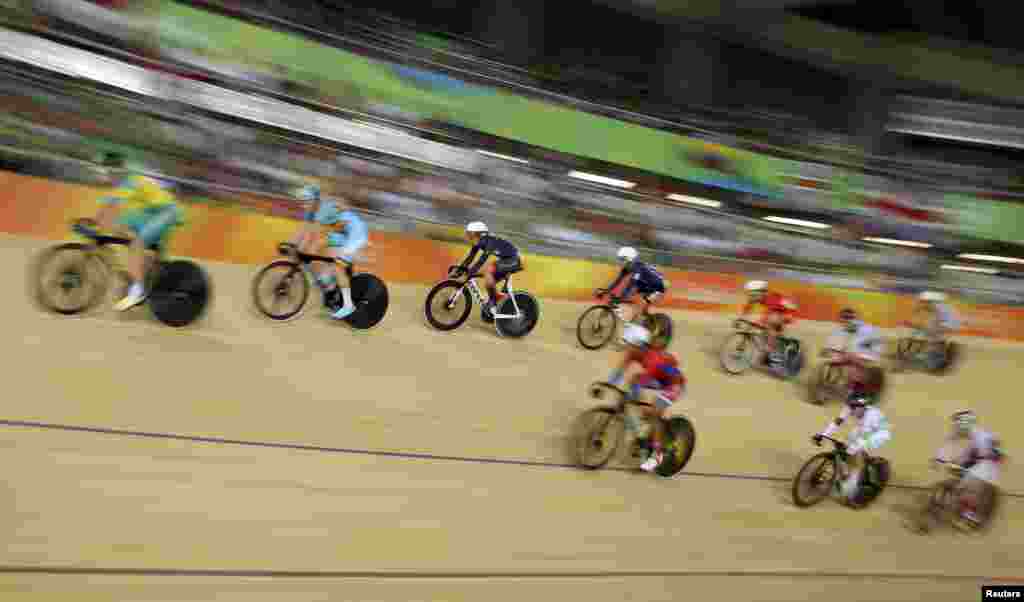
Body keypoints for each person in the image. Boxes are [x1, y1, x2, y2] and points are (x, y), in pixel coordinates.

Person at [91, 152, 185, 311]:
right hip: (151, 213)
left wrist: (99, 226)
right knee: (120, 227)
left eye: (108, 171)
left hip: (166, 212)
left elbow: (113, 208)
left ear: (117, 170)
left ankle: (138, 291)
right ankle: (144, 267)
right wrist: (93, 222)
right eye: (105, 171)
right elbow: (107, 207)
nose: (107, 175)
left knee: (136, 243)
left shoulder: (130, 182)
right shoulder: (120, 185)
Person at [607, 323, 686, 473]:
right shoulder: (633, 352)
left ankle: (656, 455)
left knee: (654, 410)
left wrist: (633, 398)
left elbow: (644, 381)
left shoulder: (652, 358)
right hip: (659, 379)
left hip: (674, 385)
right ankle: (644, 432)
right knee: (635, 382)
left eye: (630, 344)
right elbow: (620, 371)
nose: (627, 347)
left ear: (640, 344)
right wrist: (609, 384)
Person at [290, 183, 369, 320]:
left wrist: (299, 248)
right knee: (316, 251)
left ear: (315, 200)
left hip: (355, 232)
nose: (303, 205)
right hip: (340, 232)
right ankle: (330, 286)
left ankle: (348, 306)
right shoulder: (311, 211)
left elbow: (312, 233)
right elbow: (303, 230)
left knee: (336, 264)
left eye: (306, 201)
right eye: (302, 202)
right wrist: (291, 244)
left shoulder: (323, 210)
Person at [813, 393, 891, 504]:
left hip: (879, 433)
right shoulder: (850, 407)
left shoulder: (870, 416)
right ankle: (846, 472)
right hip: (862, 428)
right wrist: (823, 434)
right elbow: (837, 422)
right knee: (848, 443)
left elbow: (863, 438)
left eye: (856, 408)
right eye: (851, 407)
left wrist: (850, 449)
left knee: (854, 452)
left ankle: (851, 489)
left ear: (864, 407)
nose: (853, 411)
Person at [933, 410, 1004, 525]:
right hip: (978, 461)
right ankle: (962, 506)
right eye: (956, 423)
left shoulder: (981, 436)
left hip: (988, 465)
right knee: (959, 474)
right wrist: (939, 459)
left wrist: (964, 466)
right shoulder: (964, 433)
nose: (956, 426)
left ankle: (971, 515)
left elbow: (985, 456)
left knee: (966, 484)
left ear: (968, 423)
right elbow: (949, 445)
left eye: (959, 423)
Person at [456, 221, 522, 322]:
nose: (468, 237)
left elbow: (481, 260)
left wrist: (469, 274)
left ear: (478, 234)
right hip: (506, 260)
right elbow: (470, 258)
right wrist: (459, 269)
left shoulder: (489, 242)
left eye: (470, 234)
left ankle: (496, 299)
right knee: (487, 279)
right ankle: (495, 303)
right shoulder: (479, 242)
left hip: (515, 261)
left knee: (488, 270)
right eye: (468, 234)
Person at [824, 308, 885, 401]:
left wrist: (841, 352)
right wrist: (831, 348)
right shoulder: (851, 326)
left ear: (850, 319)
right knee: (845, 357)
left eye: (843, 321)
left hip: (872, 351)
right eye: (841, 321)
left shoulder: (862, 328)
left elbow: (857, 344)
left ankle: (856, 388)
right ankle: (850, 385)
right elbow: (841, 339)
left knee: (851, 362)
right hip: (865, 349)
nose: (842, 324)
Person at [596, 247, 667, 324]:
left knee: (638, 307)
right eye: (620, 259)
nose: (620, 262)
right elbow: (617, 281)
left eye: (622, 259)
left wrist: (620, 298)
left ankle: (641, 324)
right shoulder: (628, 267)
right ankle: (637, 318)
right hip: (645, 285)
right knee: (630, 300)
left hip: (658, 287)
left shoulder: (638, 268)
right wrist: (607, 290)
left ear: (629, 259)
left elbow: (631, 284)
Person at [737, 280, 797, 365]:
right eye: (749, 294)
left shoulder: (770, 298)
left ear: (760, 292)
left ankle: (769, 352)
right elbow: (747, 308)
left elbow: (767, 315)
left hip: (789, 312)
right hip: (778, 311)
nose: (750, 296)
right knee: (765, 328)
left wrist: (757, 322)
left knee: (770, 321)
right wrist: (740, 319)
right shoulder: (756, 297)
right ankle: (772, 347)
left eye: (751, 294)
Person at [912, 291, 960, 357]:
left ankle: (930, 352)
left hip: (949, 323)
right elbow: (932, 318)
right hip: (951, 323)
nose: (920, 303)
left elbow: (936, 319)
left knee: (930, 333)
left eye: (921, 301)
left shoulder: (935, 306)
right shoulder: (940, 306)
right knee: (932, 333)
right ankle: (939, 349)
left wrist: (918, 323)